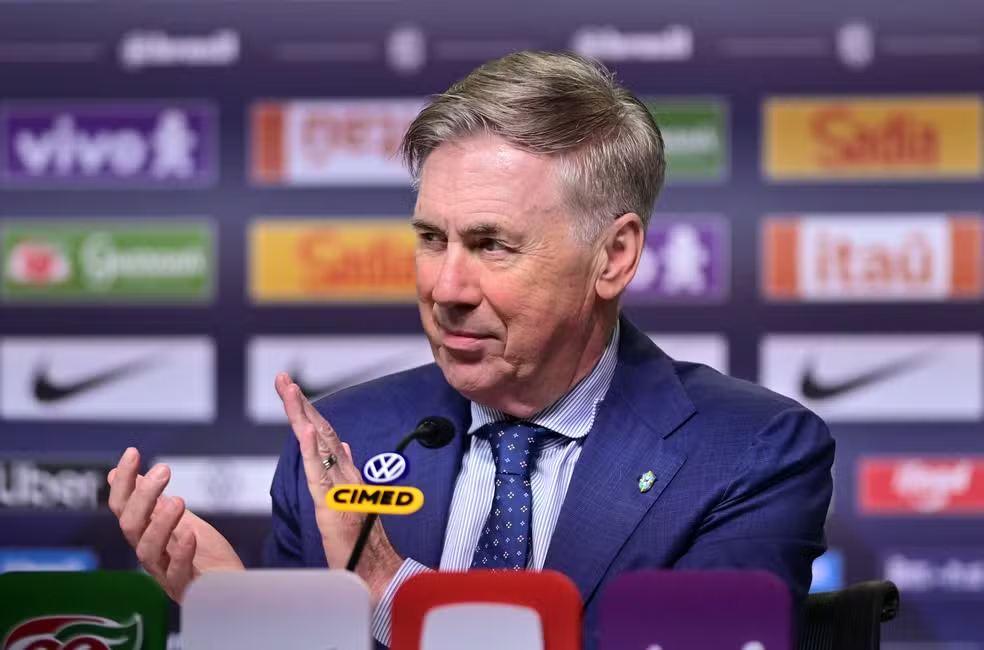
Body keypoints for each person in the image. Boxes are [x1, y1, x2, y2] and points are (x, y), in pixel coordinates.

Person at [106, 50, 835, 649]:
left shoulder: (747, 454)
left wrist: (390, 592)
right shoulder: (345, 443)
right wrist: (243, 615)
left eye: (492, 245)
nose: (446, 286)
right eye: (432, 239)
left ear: (613, 256)